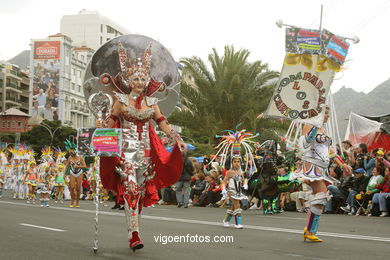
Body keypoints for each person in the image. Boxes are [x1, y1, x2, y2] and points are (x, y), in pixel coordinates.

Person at [96, 41, 186, 251]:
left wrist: (176, 138)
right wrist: (101, 126)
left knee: (141, 193)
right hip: (125, 152)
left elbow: (162, 122)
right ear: (128, 80)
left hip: (145, 153)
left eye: (142, 78)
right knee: (131, 189)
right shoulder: (119, 100)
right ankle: (133, 234)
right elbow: (110, 124)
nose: (139, 81)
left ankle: (135, 228)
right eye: (135, 78)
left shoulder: (152, 102)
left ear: (147, 81)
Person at [293, 107, 351, 242]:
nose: (327, 116)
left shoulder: (323, 130)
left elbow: (330, 152)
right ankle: (310, 230)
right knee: (322, 195)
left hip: (322, 169)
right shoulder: (309, 125)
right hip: (311, 167)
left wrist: (343, 165)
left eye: (328, 114)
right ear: (318, 113)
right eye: (325, 113)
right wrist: (314, 128)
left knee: (318, 197)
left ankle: (309, 229)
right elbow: (304, 146)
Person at [64, 140, 87, 208]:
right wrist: (64, 174)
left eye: (71, 152)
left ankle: (77, 201)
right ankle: (72, 201)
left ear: (74, 152)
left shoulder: (80, 158)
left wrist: (78, 166)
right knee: (72, 187)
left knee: (78, 188)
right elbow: (67, 166)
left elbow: (85, 166)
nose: (70, 153)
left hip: (79, 173)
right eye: (69, 152)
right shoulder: (69, 158)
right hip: (72, 173)